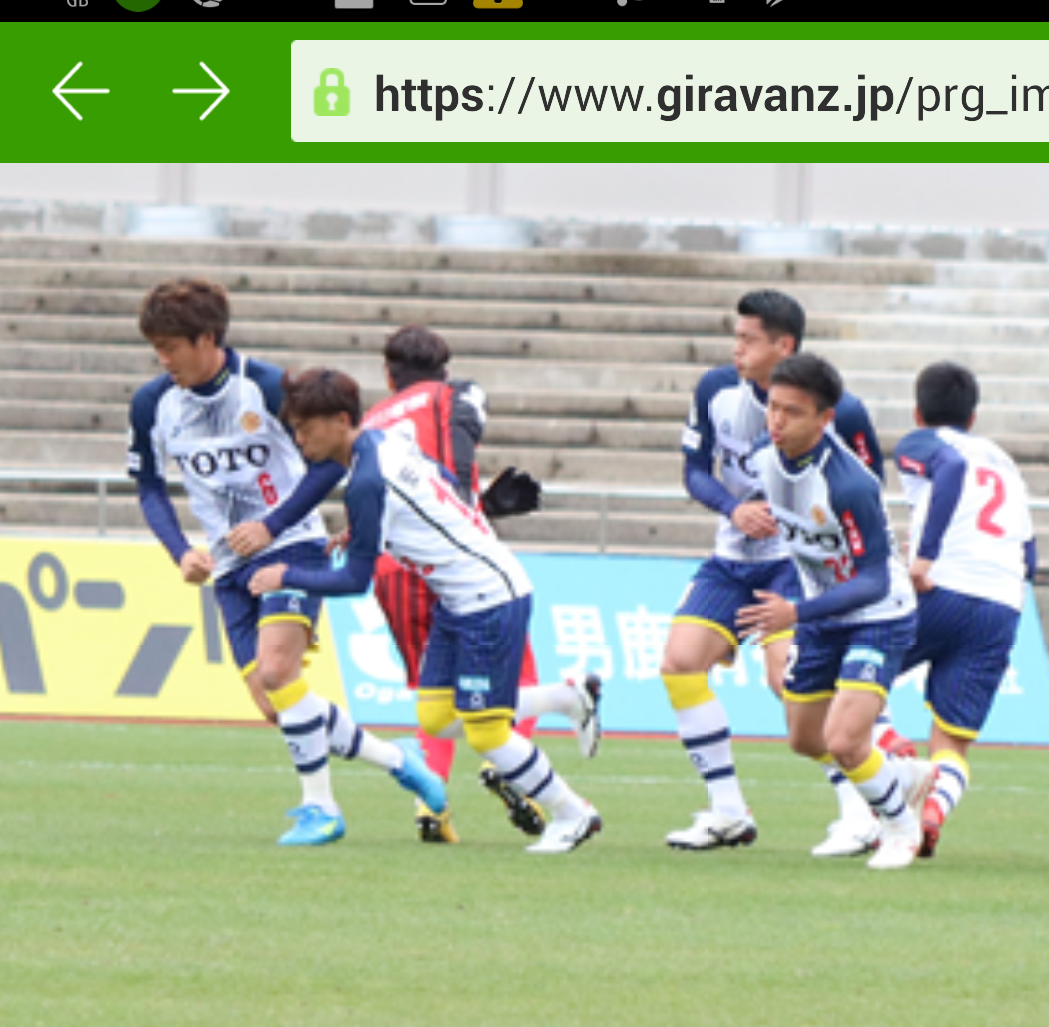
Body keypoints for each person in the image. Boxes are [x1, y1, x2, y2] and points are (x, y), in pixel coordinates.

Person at [126, 278, 445, 846]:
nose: (163, 359)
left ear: (207, 339)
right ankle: (399, 760)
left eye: (171, 347)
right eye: (156, 348)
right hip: (229, 568)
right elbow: (149, 487)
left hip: (292, 544)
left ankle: (320, 808)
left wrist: (271, 524)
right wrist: (181, 552)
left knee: (278, 671)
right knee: (278, 703)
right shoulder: (153, 404)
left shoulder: (268, 386)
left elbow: (331, 463)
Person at [253, 367, 602, 854]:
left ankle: (572, 813)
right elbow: (439, 481)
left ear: (340, 421)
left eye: (305, 428)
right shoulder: (386, 442)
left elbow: (354, 580)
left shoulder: (366, 481)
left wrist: (284, 576)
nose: (299, 440)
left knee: (486, 731)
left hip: (488, 598)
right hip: (457, 601)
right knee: (437, 716)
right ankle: (568, 697)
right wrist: (371, 530)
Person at [663, 290, 896, 853]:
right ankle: (727, 812)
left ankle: (860, 808)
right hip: (732, 558)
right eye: (736, 337)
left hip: (797, 563)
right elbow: (694, 471)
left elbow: (867, 490)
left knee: (784, 681)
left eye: (748, 339)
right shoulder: (715, 391)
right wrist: (733, 508)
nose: (736, 349)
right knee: (680, 664)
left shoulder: (842, 411)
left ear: (783, 345)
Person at [733, 353, 933, 870]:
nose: (777, 421)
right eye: (773, 408)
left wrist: (797, 612)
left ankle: (899, 827)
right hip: (823, 615)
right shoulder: (763, 455)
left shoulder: (849, 484)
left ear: (825, 419)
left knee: (845, 740)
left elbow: (872, 579)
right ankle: (900, 777)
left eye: (793, 412)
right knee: (805, 738)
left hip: (879, 615)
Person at [892, 361, 1038, 859]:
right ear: (973, 417)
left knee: (849, 676)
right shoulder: (1005, 462)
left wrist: (925, 553)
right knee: (952, 742)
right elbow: (1030, 552)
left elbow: (950, 469)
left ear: (918, 412)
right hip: (1001, 602)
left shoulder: (922, 442)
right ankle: (933, 810)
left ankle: (892, 754)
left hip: (938, 587)